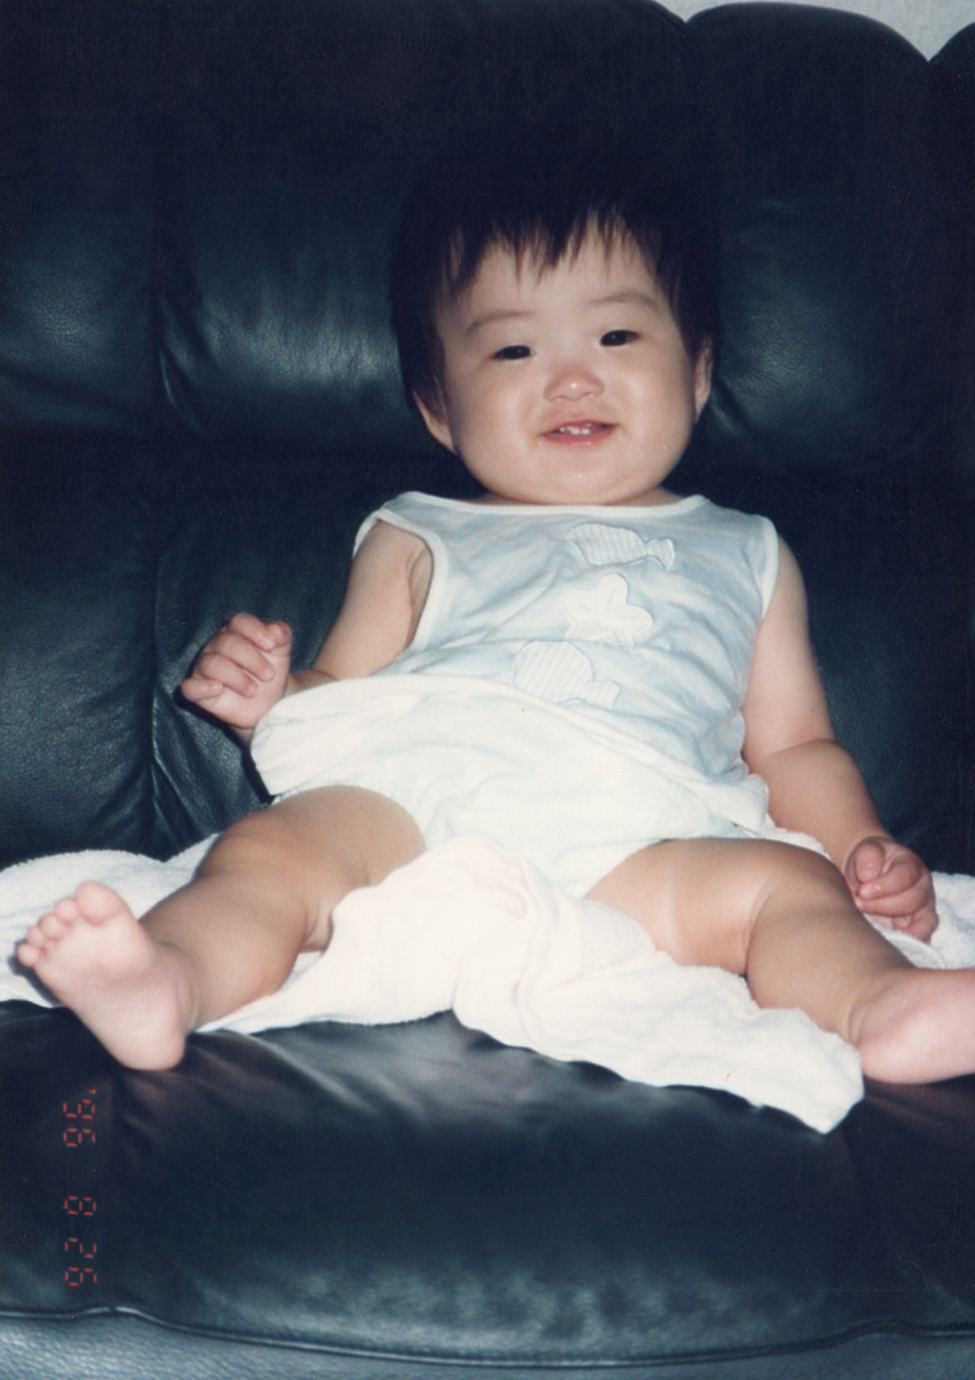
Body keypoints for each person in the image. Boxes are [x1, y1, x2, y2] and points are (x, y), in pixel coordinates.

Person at [15, 134, 975, 1084]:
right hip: (410, 800)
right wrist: (269, 696)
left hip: (639, 829)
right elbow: (340, 689)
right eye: (513, 348)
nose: (571, 378)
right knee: (267, 853)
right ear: (439, 407)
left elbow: (795, 747)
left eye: (616, 336)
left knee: (785, 887)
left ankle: (881, 1006)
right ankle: (167, 980)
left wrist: (858, 847)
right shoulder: (415, 531)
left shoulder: (749, 549)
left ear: (697, 369)